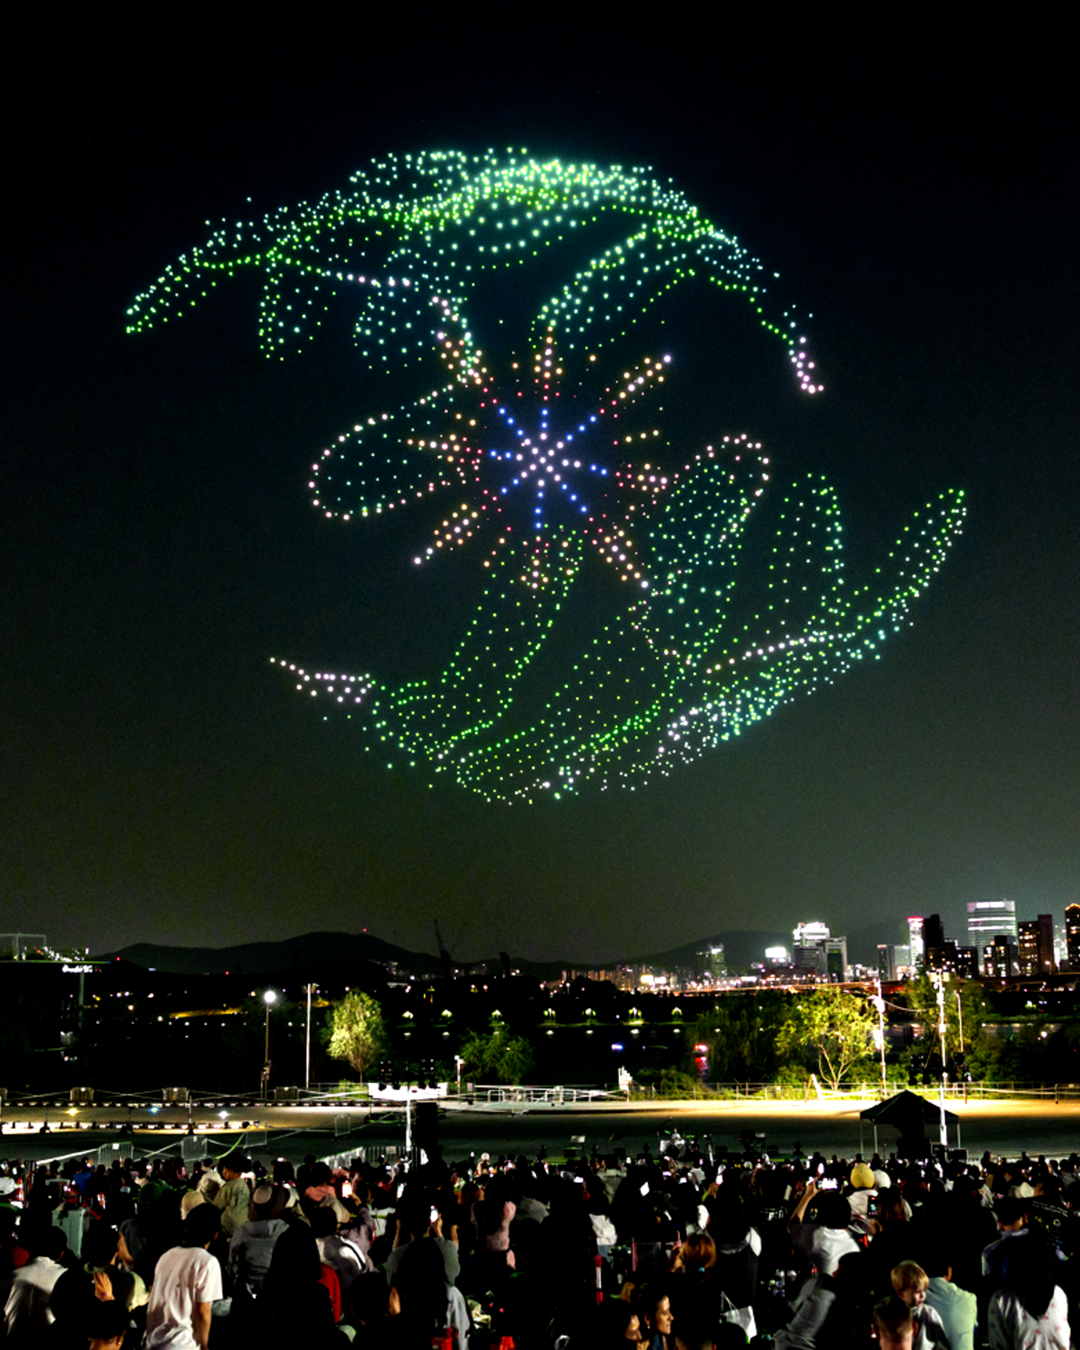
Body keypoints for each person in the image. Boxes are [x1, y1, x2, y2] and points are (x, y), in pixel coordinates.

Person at [143, 1203, 223, 1350]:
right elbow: (203, 1311)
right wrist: (204, 1345)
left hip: (152, 1341)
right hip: (182, 1344)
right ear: (215, 1235)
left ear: (186, 1228)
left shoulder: (167, 1256)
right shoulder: (207, 1262)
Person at [890, 1261, 951, 1350]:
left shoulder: (929, 1314)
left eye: (924, 1290)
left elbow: (942, 1345)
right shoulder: (892, 1316)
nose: (923, 1295)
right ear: (901, 1293)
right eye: (918, 1292)